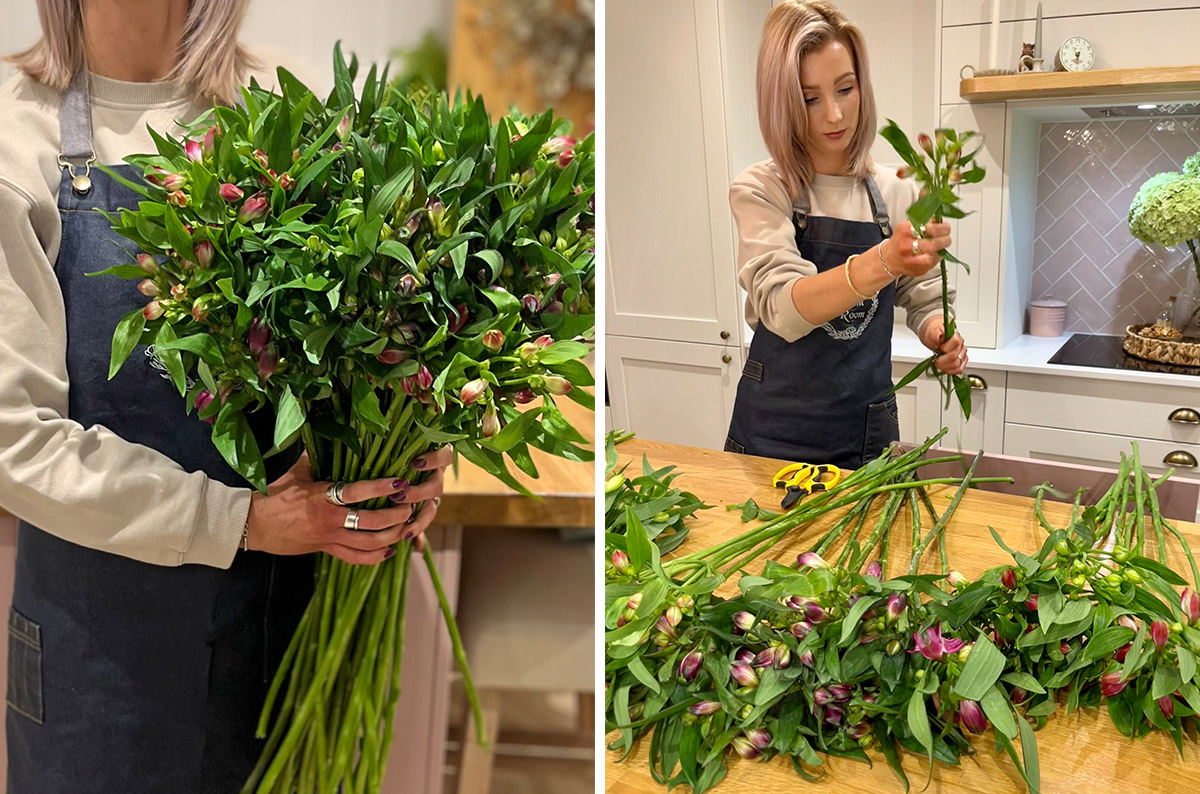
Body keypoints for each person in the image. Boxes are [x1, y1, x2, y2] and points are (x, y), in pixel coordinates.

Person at [0, 1, 452, 790]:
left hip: (282, 636)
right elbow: (16, 443)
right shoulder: (16, 136)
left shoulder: (290, 107)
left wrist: (404, 443)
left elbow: (358, 354)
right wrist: (239, 521)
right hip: (102, 658)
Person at [724, 0, 969, 470]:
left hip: (866, 430)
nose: (834, 115)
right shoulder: (761, 189)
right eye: (810, 98)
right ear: (782, 103)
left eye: (846, 88)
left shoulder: (898, 189)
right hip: (773, 433)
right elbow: (784, 307)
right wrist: (885, 261)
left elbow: (921, 294)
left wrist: (940, 333)